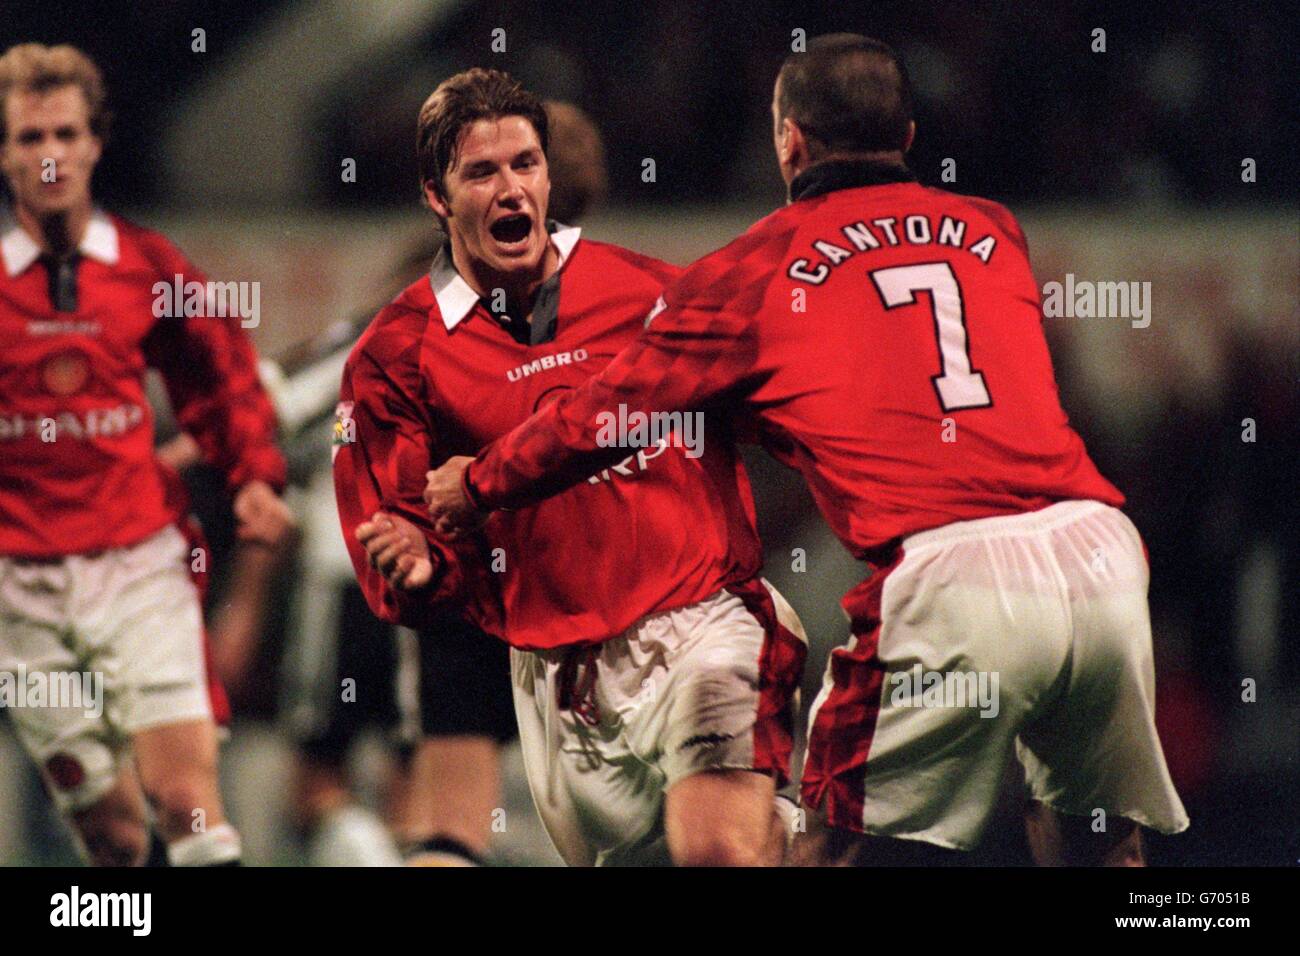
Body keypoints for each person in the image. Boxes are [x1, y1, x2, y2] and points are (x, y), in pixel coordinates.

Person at [424, 36, 1189, 866]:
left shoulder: (749, 270)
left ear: (788, 141)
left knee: (813, 839)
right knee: (1100, 836)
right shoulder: (995, 230)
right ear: (908, 136)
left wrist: (483, 482)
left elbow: (607, 416)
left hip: (949, 577)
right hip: (1100, 554)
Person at [335, 68, 806, 866]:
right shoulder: (394, 357)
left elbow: (782, 419)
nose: (510, 188)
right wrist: (420, 568)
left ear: (549, 175)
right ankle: (827, 838)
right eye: (481, 172)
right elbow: (397, 539)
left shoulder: (653, 295)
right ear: (435, 195)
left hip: (703, 625)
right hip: (555, 677)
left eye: (525, 164)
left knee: (720, 854)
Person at [0, 43, 294, 866]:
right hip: (19, 594)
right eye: (30, 138)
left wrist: (255, 477)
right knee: (113, 836)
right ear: (5, 153)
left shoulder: (146, 267)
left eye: (66, 133)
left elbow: (222, 379)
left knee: (186, 803)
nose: (50, 154)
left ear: (95, 142)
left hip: (141, 569)